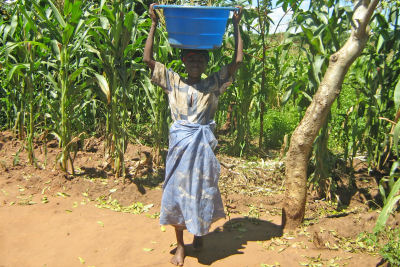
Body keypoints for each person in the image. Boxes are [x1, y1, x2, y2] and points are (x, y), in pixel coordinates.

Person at [143, 3, 243, 266]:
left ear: (206, 62)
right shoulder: (173, 81)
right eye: (191, 59)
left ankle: (199, 233)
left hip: (202, 149)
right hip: (179, 148)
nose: (196, 63)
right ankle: (180, 246)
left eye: (201, 59)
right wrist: (154, 23)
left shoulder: (213, 83)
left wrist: (235, 24)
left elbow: (237, 62)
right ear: (184, 61)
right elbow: (147, 60)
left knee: (201, 191)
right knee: (176, 194)